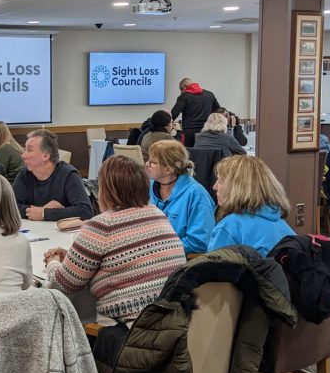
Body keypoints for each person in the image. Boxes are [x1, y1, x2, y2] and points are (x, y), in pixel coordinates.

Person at [44, 156, 186, 327]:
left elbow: (63, 285)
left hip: (133, 333)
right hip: (174, 326)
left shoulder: (102, 226)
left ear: (106, 190)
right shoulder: (157, 213)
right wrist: (75, 260)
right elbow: (126, 259)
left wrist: (52, 262)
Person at [207, 155, 294, 257]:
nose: (215, 187)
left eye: (220, 181)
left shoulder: (229, 228)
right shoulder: (284, 227)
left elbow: (214, 271)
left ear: (236, 187)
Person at [147, 140, 215, 254]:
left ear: (169, 169)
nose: (146, 164)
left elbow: (200, 243)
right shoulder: (150, 186)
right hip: (153, 256)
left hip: (181, 262)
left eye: (152, 162)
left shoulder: (197, 195)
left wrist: (159, 248)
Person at [12, 129, 94, 221]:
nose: (23, 155)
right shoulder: (24, 174)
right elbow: (10, 207)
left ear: (46, 156)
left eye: (29, 150)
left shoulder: (68, 175)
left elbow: (85, 210)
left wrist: (44, 213)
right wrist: (41, 209)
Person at [171, 78, 221, 147]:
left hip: (189, 133)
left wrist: (167, 125)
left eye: (181, 89)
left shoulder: (184, 96)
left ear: (185, 86)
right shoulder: (209, 94)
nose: (181, 92)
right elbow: (218, 111)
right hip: (206, 131)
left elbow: (174, 113)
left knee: (189, 154)